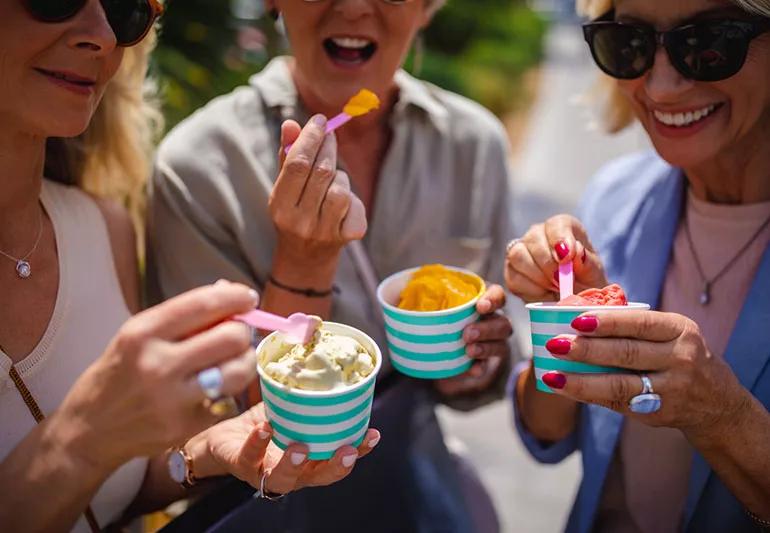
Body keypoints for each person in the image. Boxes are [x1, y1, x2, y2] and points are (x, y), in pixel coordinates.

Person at [0, 2, 376, 531]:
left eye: (126, 8)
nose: (103, 36)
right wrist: (84, 436)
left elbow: (117, 491)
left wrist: (202, 456)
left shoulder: (104, 229)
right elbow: (94, 445)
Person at [148, 0, 515, 531]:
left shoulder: (472, 146)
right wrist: (305, 259)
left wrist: (473, 359)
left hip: (410, 491)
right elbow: (226, 423)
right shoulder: (199, 169)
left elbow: (482, 378)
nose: (353, 7)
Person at [506, 0, 770, 531]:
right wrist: (563, 333)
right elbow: (548, 433)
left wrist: (726, 419)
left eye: (710, 43)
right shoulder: (615, 195)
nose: (663, 86)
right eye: (629, 42)